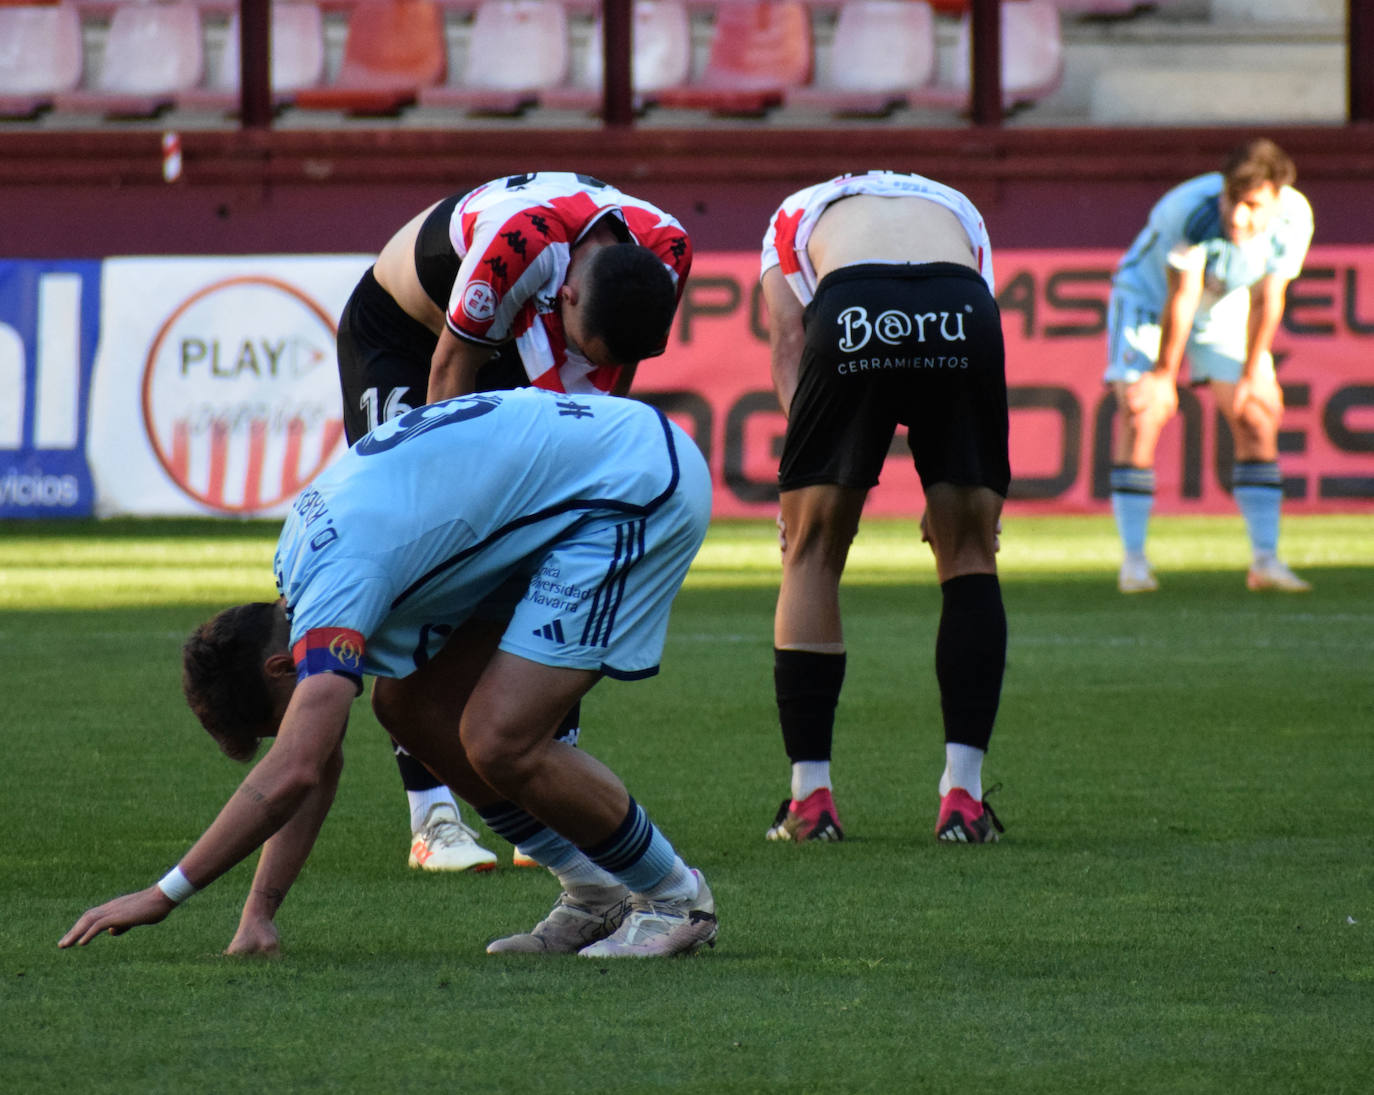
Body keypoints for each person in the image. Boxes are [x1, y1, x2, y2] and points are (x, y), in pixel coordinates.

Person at [59, 388, 717, 959]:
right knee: (407, 707)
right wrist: (258, 910)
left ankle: (672, 898)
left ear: (280, 665)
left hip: (630, 486)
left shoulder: (340, 582)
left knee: (500, 737)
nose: (292, 734)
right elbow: (312, 759)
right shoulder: (299, 564)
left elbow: (299, 766)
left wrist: (165, 892)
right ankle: (595, 889)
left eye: (277, 720)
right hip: (585, 475)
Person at [336, 172, 694, 870]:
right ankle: (432, 816)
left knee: (553, 538)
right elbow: (448, 385)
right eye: (589, 348)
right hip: (414, 340)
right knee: (428, 551)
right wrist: (458, 531)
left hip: (509, 333)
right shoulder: (518, 248)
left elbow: (595, 406)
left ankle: (539, 775)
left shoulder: (666, 254)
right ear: (565, 298)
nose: (598, 366)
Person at [757, 171, 1010, 846]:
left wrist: (811, 472)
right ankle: (965, 797)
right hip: (962, 307)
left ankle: (811, 802)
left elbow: (789, 347)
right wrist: (961, 502)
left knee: (811, 553)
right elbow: (976, 298)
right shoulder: (957, 205)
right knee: (971, 552)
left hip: (853, 304)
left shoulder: (793, 213)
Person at [1104, 138, 1314, 594]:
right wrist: (1163, 375)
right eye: (1233, 201)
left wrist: (1255, 366)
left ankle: (1265, 562)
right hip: (1149, 301)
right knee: (1144, 412)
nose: (1239, 217)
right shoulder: (1187, 210)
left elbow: (1269, 296)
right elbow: (1182, 296)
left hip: (1222, 308)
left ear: (1278, 196)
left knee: (1256, 413)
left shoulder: (1296, 218)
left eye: (1252, 205)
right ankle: (1134, 562)